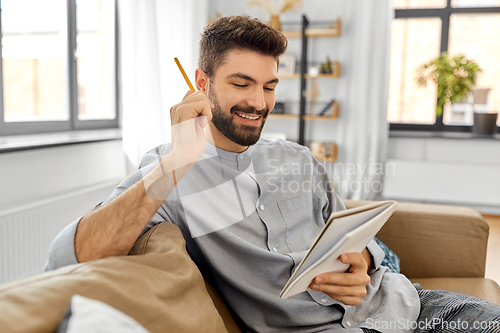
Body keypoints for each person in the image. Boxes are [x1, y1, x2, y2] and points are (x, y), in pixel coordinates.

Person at [46, 16, 500, 333]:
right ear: (202, 84)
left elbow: (349, 235)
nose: (259, 102)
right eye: (241, 84)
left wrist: (361, 261)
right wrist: (178, 160)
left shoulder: (297, 158)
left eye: (269, 86)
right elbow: (68, 256)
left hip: (412, 308)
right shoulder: (171, 175)